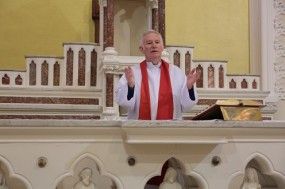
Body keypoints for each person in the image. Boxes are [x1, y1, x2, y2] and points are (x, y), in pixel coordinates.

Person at [115, 30, 199, 120]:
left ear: (162, 47)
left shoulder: (176, 73)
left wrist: (189, 88)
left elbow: (186, 105)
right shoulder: (133, 73)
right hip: (140, 130)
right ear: (141, 49)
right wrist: (130, 86)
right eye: (149, 43)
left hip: (170, 129)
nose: (154, 45)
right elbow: (125, 103)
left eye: (157, 42)